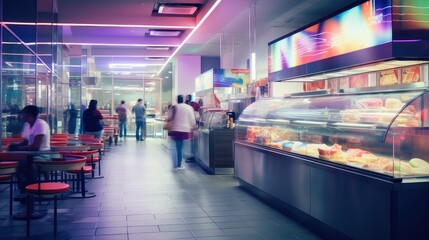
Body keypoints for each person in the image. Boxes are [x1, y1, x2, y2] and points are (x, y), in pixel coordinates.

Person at [8, 105, 51, 196]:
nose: (21, 115)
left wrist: (18, 148)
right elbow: (26, 141)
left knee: (25, 164)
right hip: (30, 154)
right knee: (20, 163)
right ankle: (25, 190)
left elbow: (36, 147)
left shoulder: (40, 124)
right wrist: (15, 146)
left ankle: (30, 191)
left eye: (23, 113)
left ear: (29, 114)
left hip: (42, 155)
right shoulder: (27, 125)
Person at [167, 95, 196, 170]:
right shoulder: (189, 108)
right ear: (183, 100)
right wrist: (193, 128)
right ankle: (179, 165)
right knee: (181, 148)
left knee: (175, 148)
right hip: (184, 130)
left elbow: (169, 118)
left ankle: (175, 165)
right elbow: (192, 120)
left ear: (177, 100)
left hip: (175, 129)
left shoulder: (173, 107)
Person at [185, 94, 200, 163]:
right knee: (190, 142)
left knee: (192, 142)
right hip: (189, 126)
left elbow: (199, 113)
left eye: (187, 98)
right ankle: (191, 156)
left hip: (192, 125)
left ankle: (192, 156)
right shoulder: (186, 105)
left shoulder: (195, 104)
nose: (186, 99)